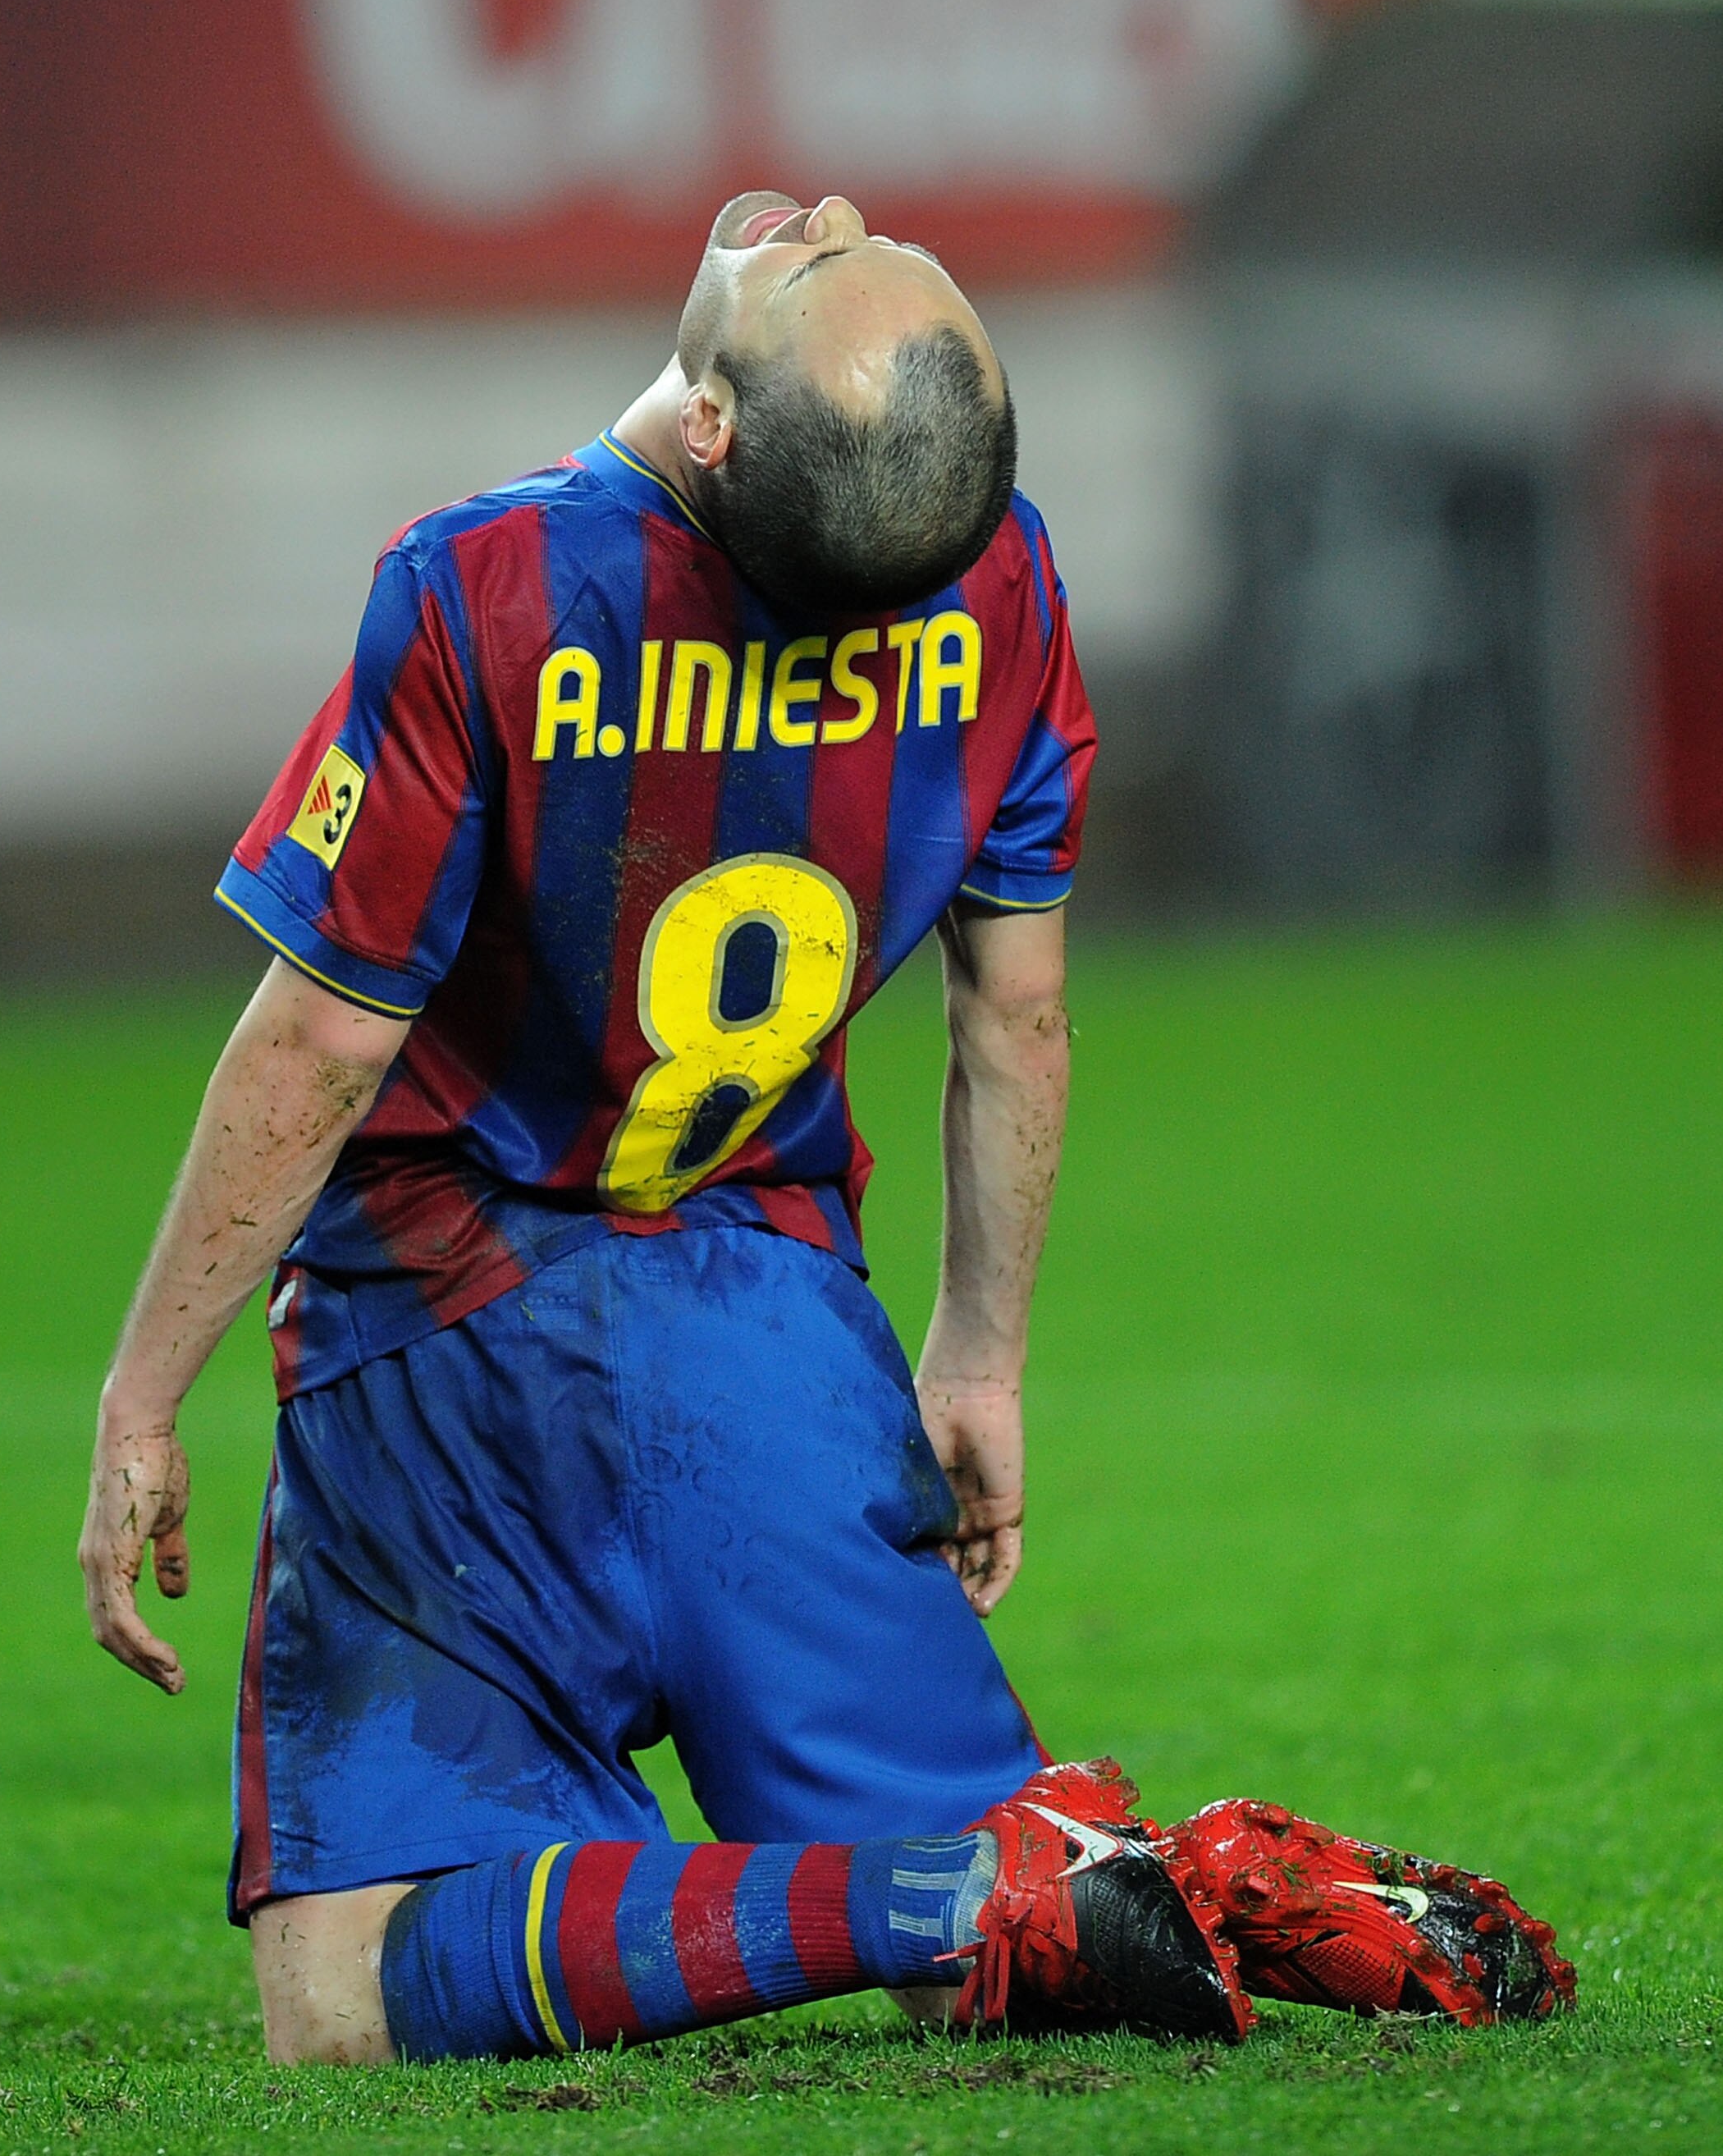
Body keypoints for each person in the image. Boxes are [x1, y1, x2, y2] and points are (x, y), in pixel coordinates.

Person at [79, 194, 1573, 2064]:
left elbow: (317, 1044)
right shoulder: (1002, 580)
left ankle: (922, 1895)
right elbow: (1011, 1011)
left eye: (813, 263)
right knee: (1028, 1895)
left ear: (713, 426)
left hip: (454, 1325)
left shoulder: (480, 586)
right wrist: (983, 1356)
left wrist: (145, 1398)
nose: (832, 210)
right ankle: (1185, 1880)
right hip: (775, 1321)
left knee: (349, 1987)